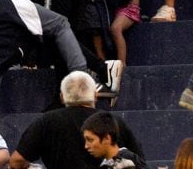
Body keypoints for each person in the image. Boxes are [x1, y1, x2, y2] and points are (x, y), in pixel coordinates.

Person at [10, 71, 145, 169]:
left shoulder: (45, 122)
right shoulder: (113, 121)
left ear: (62, 97)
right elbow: (139, 161)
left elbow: (16, 161)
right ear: (96, 95)